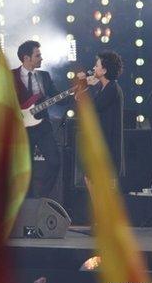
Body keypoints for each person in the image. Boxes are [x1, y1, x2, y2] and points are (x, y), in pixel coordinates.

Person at [12, 40, 67, 198]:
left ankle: (40, 197)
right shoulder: (10, 76)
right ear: (26, 57)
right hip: (21, 130)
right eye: (38, 55)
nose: (41, 58)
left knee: (55, 162)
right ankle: (28, 203)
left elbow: (59, 98)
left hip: (43, 128)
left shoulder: (44, 76)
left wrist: (77, 92)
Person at [77, 51, 125, 179]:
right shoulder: (104, 88)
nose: (93, 68)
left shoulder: (112, 89)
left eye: (97, 65)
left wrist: (85, 84)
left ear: (104, 70)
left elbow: (91, 109)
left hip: (107, 151)